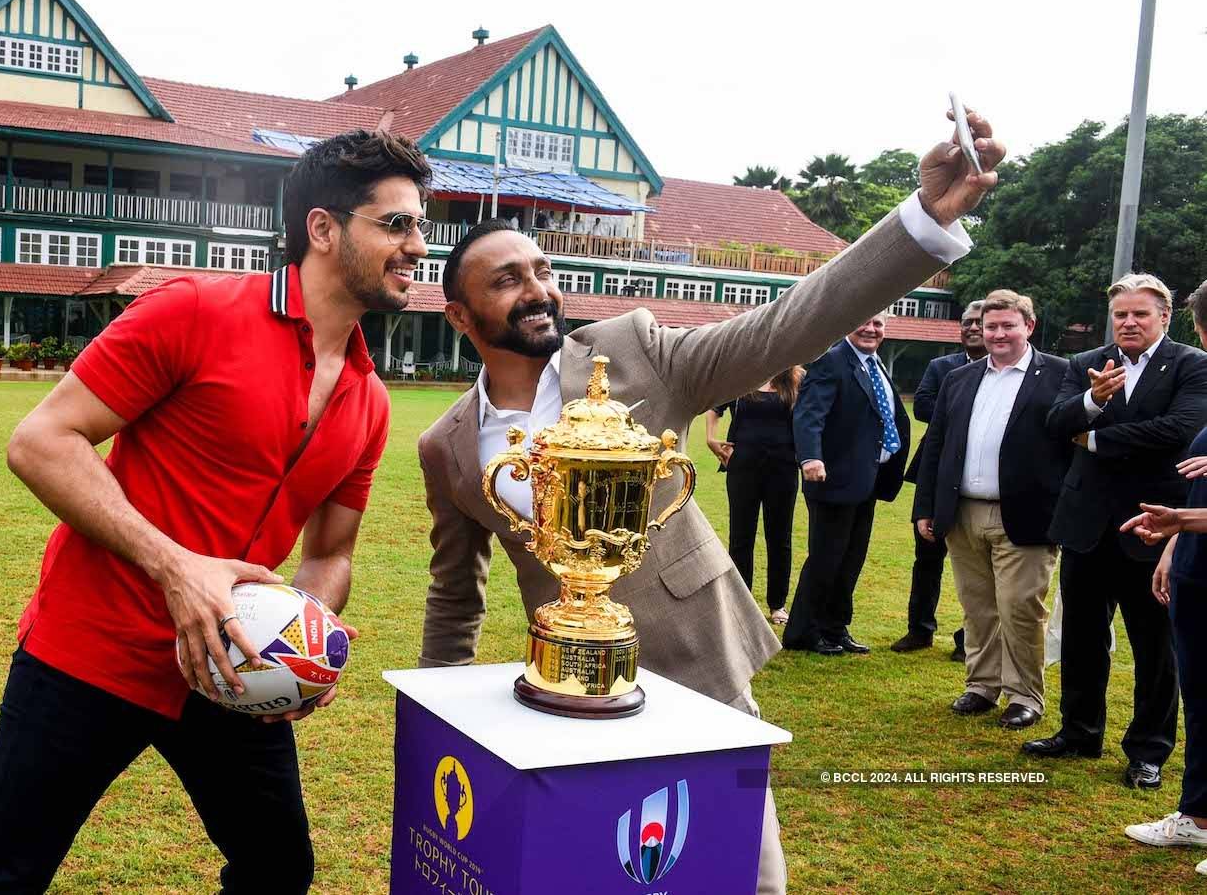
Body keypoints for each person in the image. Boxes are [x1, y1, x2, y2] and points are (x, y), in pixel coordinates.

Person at [415, 108, 1004, 895]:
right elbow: (456, 592)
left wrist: (922, 220)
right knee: (609, 866)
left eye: (540, 270)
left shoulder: (633, 351)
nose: (537, 291)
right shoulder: (445, 444)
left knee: (739, 867)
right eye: (507, 279)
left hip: (697, 655)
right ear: (458, 315)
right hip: (567, 685)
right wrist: (434, 716)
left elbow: (787, 323)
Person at [0, 130, 432, 893]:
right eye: (395, 224)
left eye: (420, 225)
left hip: (234, 675)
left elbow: (331, 551)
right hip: (91, 650)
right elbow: (42, 442)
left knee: (276, 871)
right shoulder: (196, 312)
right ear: (324, 230)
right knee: (4, 875)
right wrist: (176, 567)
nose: (416, 246)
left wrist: (309, 636)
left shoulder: (369, 399)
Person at [1024, 273, 1207, 790]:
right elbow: (1055, 423)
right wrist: (1091, 403)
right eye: (1121, 314)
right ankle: (1079, 731)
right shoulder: (1086, 364)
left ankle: (1148, 750)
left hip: (1154, 524)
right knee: (1082, 637)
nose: (1128, 322)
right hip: (1086, 523)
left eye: (1140, 314)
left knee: (1154, 646)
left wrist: (1096, 439)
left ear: (1165, 318)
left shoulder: (1192, 366)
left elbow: (1179, 429)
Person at [911, 291, 1070, 729]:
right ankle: (981, 686)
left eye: (1007, 325)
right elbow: (937, 446)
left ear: (1028, 327)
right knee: (977, 606)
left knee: (1020, 608)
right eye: (990, 326)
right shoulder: (959, 379)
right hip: (963, 513)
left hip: (1026, 515)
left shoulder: (1059, 375)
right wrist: (925, 506)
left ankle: (1025, 696)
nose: (997, 334)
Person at [1119, 280, 1207, 877]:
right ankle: (1198, 819)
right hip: (1199, 570)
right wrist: (1177, 540)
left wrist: (1186, 519)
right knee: (1201, 703)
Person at [781, 311, 911, 656]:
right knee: (826, 558)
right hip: (832, 478)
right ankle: (803, 632)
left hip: (867, 479)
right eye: (864, 321)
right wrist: (810, 457)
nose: (870, 329)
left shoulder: (875, 364)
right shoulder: (831, 361)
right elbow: (809, 413)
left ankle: (835, 627)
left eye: (878, 324)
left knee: (851, 558)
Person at [892, 299, 986, 657]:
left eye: (980, 322)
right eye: (967, 322)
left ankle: (969, 638)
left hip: (980, 477)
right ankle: (919, 629)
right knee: (927, 557)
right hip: (937, 471)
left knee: (978, 566)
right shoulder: (941, 366)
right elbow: (923, 408)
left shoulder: (1005, 374)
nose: (973, 328)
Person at [705, 365, 805, 624]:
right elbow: (715, 406)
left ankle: (778, 605)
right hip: (743, 465)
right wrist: (710, 438)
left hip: (783, 467)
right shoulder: (742, 374)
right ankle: (741, 601)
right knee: (741, 536)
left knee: (780, 537)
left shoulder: (797, 379)